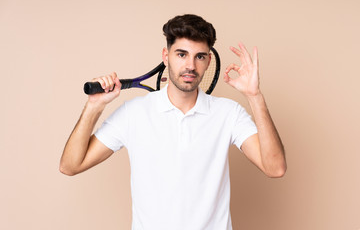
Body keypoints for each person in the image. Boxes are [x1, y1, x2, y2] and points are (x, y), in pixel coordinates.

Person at [60, 14, 286, 230]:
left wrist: (255, 97)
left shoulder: (228, 113)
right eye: (181, 54)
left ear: (208, 62)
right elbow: (70, 166)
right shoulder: (133, 113)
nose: (190, 65)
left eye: (199, 56)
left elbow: (275, 168)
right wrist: (94, 106)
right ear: (165, 56)